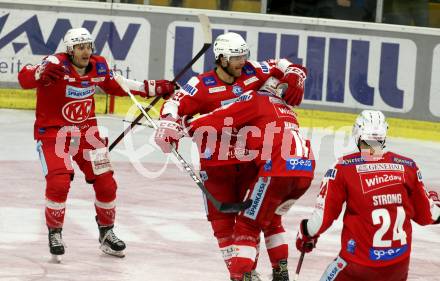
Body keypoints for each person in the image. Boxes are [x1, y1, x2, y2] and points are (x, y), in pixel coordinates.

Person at [154, 32, 307, 278]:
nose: (243, 61)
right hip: (216, 166)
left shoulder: (252, 71)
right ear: (222, 59)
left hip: (250, 163)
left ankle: (273, 271)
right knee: (223, 226)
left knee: (261, 219)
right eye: (237, 57)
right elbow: (173, 103)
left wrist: (295, 74)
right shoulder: (200, 85)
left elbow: (282, 63)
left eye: (245, 55)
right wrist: (168, 122)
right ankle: (244, 274)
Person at [17, 27, 175, 260]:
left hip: (87, 134)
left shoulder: (98, 66)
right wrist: (40, 72)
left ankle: (106, 233)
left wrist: (151, 88)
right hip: (54, 134)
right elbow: (24, 77)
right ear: (69, 50)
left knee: (107, 183)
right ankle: (55, 232)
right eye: (80, 47)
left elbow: (118, 85)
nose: (85, 51)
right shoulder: (55, 63)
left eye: (88, 46)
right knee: (59, 181)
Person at [187, 76, 315, 281]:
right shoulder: (287, 109)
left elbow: (222, 117)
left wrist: (187, 125)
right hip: (304, 174)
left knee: (247, 224)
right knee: (272, 220)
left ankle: (242, 275)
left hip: (277, 173)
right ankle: (281, 272)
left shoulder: (256, 99)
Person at [295, 110, 440, 281]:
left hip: (357, 266)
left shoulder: (342, 167)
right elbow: (428, 216)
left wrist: (306, 232)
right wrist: (434, 203)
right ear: (384, 135)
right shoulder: (408, 166)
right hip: (397, 267)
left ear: (357, 133)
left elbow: (321, 220)